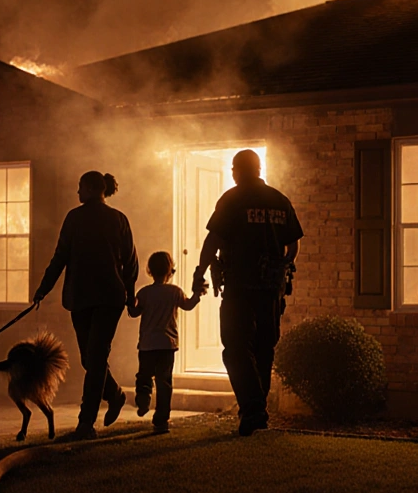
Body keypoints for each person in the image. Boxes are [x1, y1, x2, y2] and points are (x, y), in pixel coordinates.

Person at [193, 149, 303, 436]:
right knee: (264, 348)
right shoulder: (279, 200)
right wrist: (282, 267)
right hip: (271, 289)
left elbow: (214, 239)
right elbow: (293, 246)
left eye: (233, 169)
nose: (232, 173)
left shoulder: (232, 199)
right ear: (258, 168)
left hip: (239, 286)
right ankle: (257, 411)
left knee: (235, 348)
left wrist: (199, 272)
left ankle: (253, 409)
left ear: (238, 170)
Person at [34, 170, 138, 440]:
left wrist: (43, 289)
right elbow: (131, 262)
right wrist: (130, 294)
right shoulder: (117, 219)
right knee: (91, 358)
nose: (78, 192)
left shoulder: (75, 218)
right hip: (105, 297)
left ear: (91, 189)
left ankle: (86, 423)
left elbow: (60, 258)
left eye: (80, 187)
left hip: (86, 297)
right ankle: (115, 395)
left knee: (95, 357)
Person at [126, 251, 202, 434]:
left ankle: (143, 399)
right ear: (170, 270)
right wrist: (197, 293)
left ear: (150, 270)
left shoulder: (144, 293)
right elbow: (188, 305)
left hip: (147, 344)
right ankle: (161, 420)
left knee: (144, 375)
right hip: (167, 344)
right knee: (164, 382)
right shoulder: (175, 292)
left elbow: (134, 313)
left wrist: (128, 299)